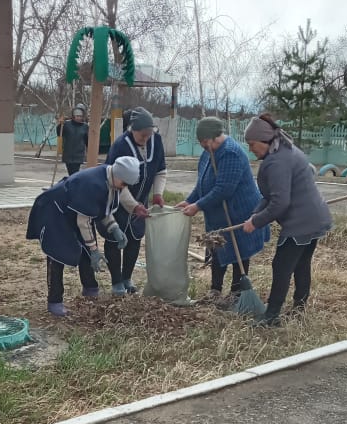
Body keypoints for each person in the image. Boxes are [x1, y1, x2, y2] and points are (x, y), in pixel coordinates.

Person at [26, 157, 149, 316]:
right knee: (57, 255)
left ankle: (90, 287)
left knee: (85, 248)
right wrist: (95, 250)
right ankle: (54, 300)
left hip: (76, 213)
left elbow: (102, 210)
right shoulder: (93, 184)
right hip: (55, 212)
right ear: (118, 175)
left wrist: (115, 228)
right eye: (124, 184)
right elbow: (84, 222)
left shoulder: (111, 180)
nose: (124, 188)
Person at [242, 113, 333, 326]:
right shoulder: (285, 150)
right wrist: (255, 214)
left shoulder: (277, 162)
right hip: (314, 218)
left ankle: (271, 316)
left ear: (264, 141)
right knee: (301, 264)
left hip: (301, 222)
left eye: (252, 144)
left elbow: (279, 203)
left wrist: (256, 222)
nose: (251, 149)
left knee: (281, 266)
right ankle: (299, 308)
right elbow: (270, 197)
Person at [175, 117, 269, 304]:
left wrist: (198, 206)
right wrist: (190, 201)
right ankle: (215, 290)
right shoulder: (208, 152)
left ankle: (237, 293)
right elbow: (203, 183)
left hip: (239, 211)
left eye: (204, 141)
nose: (202, 145)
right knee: (216, 248)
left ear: (213, 137)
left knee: (238, 251)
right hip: (218, 214)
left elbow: (223, 189)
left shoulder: (230, 153)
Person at [104, 107, 167, 295]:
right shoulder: (120, 145)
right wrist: (133, 206)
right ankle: (116, 282)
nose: (146, 138)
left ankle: (127, 278)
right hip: (119, 199)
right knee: (115, 239)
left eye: (149, 134)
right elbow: (114, 182)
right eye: (142, 135)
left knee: (135, 239)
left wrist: (157, 193)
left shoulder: (156, 140)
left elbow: (160, 170)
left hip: (141, 202)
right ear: (132, 129)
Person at [56, 104, 89, 176]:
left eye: (80, 116)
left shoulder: (85, 126)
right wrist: (60, 125)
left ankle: (72, 185)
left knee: (74, 174)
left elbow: (87, 141)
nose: (78, 118)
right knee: (71, 173)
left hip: (78, 155)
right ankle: (72, 185)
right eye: (77, 116)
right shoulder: (67, 124)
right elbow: (59, 133)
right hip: (68, 154)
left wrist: (89, 151)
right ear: (73, 116)